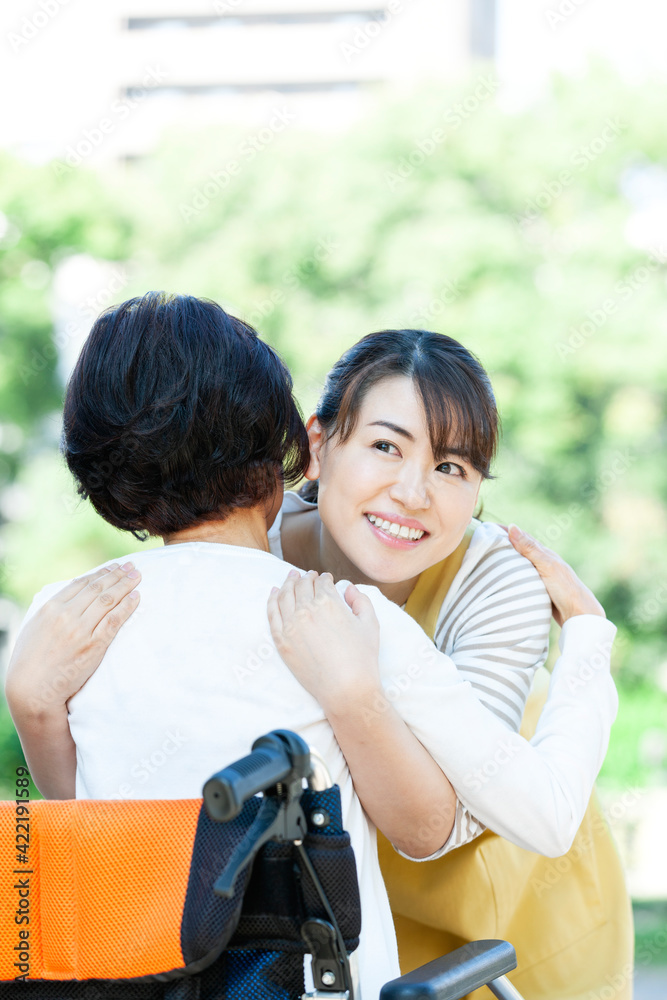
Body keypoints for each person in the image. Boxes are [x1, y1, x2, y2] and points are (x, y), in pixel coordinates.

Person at [6, 299, 622, 997]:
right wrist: (586, 638)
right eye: (386, 445)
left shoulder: (67, 618)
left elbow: (86, 830)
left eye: (451, 465)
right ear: (302, 450)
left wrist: (30, 700)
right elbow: (498, 817)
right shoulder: (344, 623)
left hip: (161, 977)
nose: (412, 491)